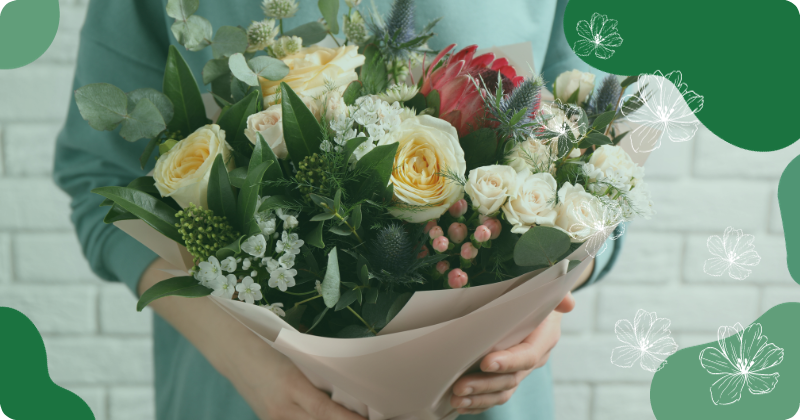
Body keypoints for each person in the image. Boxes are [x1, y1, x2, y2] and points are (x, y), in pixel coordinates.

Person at [53, 0, 622, 419]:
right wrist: (244, 358)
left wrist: (541, 312)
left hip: (480, 401)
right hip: (242, 398)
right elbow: (98, 177)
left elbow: (605, 172)